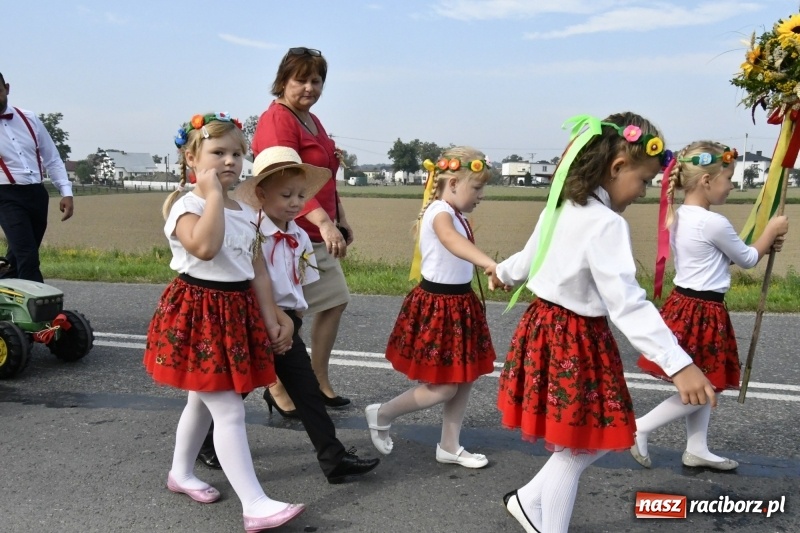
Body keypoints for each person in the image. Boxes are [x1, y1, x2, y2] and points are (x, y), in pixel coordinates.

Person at [487, 113, 717, 533]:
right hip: (575, 339)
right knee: (581, 443)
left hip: (543, 329)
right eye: (644, 181)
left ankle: (528, 501)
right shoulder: (607, 223)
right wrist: (678, 363)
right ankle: (544, 523)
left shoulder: (560, 203)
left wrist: (503, 273)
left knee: (589, 437)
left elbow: (527, 257)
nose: (645, 192)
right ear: (617, 168)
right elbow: (628, 303)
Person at [143, 112, 304, 533]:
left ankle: (180, 472)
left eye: (236, 153)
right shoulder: (188, 204)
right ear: (192, 158)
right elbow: (206, 247)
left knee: (203, 399)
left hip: (234, 312)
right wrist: (213, 195)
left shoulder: (247, 210)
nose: (230, 161)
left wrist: (271, 320)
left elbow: (258, 270)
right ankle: (255, 503)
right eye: (218, 153)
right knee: (228, 408)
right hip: (198, 314)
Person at [198, 145, 380, 485]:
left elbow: (302, 282)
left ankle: (334, 458)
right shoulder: (251, 232)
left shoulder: (299, 235)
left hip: (286, 322)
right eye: (286, 195)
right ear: (262, 194)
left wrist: (294, 317)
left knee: (307, 391)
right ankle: (204, 442)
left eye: (301, 195)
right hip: (256, 321)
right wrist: (271, 321)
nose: (296, 203)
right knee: (237, 390)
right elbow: (249, 279)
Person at [631, 141, 789, 471]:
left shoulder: (679, 216)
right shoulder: (711, 222)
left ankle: (697, 447)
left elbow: (716, 261)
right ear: (706, 180)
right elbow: (745, 258)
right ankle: (640, 427)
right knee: (705, 385)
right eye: (728, 179)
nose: (732, 186)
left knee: (705, 378)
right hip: (703, 311)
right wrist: (770, 230)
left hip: (683, 304)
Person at [364, 147, 497, 468]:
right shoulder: (440, 212)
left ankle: (450, 445)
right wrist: (489, 264)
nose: (481, 195)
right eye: (476, 188)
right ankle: (382, 412)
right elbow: (451, 240)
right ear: (452, 183)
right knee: (444, 387)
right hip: (439, 306)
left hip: (460, 303)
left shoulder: (457, 213)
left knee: (464, 378)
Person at [252, 47, 353, 412]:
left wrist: (340, 218)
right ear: (283, 81)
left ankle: (316, 378)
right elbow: (284, 180)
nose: (310, 87)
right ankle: (277, 386)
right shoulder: (278, 120)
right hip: (289, 230)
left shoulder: (312, 120)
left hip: (315, 229)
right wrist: (324, 223)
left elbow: (322, 178)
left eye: (316, 80)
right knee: (286, 314)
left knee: (335, 300)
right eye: (301, 79)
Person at [0, 71, 74, 282]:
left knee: (17, 259)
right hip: (5, 195)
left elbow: (52, 157)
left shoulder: (29, 118)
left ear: (7, 88)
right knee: (28, 257)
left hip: (36, 193)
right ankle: (41, 311)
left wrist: (66, 192)